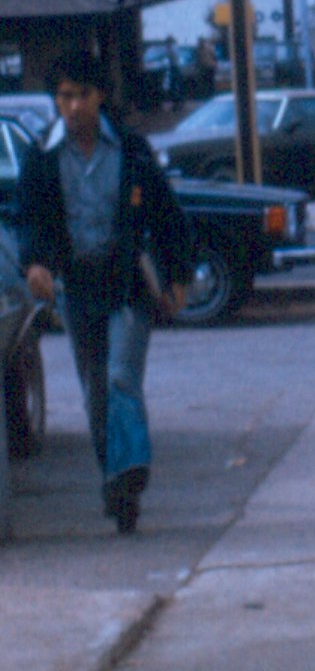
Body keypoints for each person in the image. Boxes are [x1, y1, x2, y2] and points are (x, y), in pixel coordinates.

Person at [14, 48, 191, 533]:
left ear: (100, 96)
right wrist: (36, 264)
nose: (72, 106)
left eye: (81, 95)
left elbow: (166, 213)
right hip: (77, 288)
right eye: (64, 96)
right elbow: (28, 219)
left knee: (119, 377)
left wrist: (178, 275)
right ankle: (115, 483)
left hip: (127, 283)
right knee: (95, 391)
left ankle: (130, 473)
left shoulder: (131, 150)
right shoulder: (43, 156)